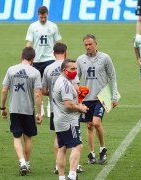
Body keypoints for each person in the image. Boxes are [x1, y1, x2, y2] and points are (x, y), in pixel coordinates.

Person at [77, 34, 119, 165]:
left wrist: (114, 96)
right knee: (89, 125)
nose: (88, 47)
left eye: (90, 44)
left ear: (96, 44)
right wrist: (76, 97)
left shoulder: (105, 58)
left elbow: (112, 76)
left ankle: (103, 149)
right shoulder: (80, 60)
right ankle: (91, 154)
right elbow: (76, 80)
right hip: (86, 98)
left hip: (101, 97)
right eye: (86, 45)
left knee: (96, 122)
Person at [42, 42, 83, 174]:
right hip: (68, 112)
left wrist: (56, 96)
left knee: (59, 142)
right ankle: (74, 169)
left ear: (53, 53)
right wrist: (79, 105)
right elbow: (76, 89)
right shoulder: (70, 69)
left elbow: (44, 90)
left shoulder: (48, 69)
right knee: (75, 143)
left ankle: (58, 168)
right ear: (65, 53)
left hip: (54, 109)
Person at [0, 47, 43, 176]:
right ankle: (27, 163)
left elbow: (4, 90)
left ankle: (22, 162)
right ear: (33, 59)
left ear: (21, 56)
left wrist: (2, 108)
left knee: (17, 137)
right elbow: (38, 94)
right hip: (28, 110)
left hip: (14, 109)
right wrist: (39, 113)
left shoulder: (11, 69)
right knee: (28, 137)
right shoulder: (35, 72)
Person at [52, 59, 89, 180]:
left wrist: (78, 97)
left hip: (59, 120)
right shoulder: (65, 84)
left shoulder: (61, 81)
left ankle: (61, 177)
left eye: (76, 69)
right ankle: (72, 175)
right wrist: (81, 108)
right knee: (78, 146)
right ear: (64, 70)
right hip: (68, 121)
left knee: (62, 149)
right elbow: (68, 105)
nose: (75, 71)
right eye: (72, 69)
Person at [26, 6, 62, 117]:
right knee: (37, 85)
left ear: (47, 14)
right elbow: (29, 43)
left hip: (50, 59)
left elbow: (58, 43)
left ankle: (51, 106)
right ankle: (40, 106)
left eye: (45, 17)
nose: (43, 19)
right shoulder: (33, 26)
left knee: (52, 84)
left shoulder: (53, 26)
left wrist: (61, 58)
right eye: (41, 17)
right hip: (36, 60)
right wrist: (27, 58)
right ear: (38, 15)